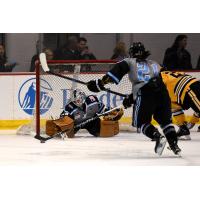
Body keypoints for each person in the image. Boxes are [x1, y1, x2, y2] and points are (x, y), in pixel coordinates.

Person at [87, 42, 181, 155]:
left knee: (141, 122)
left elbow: (114, 75)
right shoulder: (155, 63)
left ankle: (157, 136)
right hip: (163, 92)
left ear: (131, 53)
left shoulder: (129, 61)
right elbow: (157, 81)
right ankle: (174, 144)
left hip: (145, 92)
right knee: (165, 122)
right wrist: (132, 97)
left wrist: (100, 83)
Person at [45, 89, 124, 138]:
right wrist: (60, 126)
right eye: (75, 101)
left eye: (78, 100)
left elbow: (104, 110)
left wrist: (112, 112)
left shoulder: (92, 101)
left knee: (102, 134)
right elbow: (64, 118)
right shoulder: (70, 107)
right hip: (76, 125)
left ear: (83, 98)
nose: (76, 102)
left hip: (92, 122)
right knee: (69, 136)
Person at [161, 70, 200, 137]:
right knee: (173, 106)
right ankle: (183, 128)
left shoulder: (160, 76)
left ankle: (183, 127)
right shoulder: (169, 73)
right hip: (189, 87)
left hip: (188, 88)